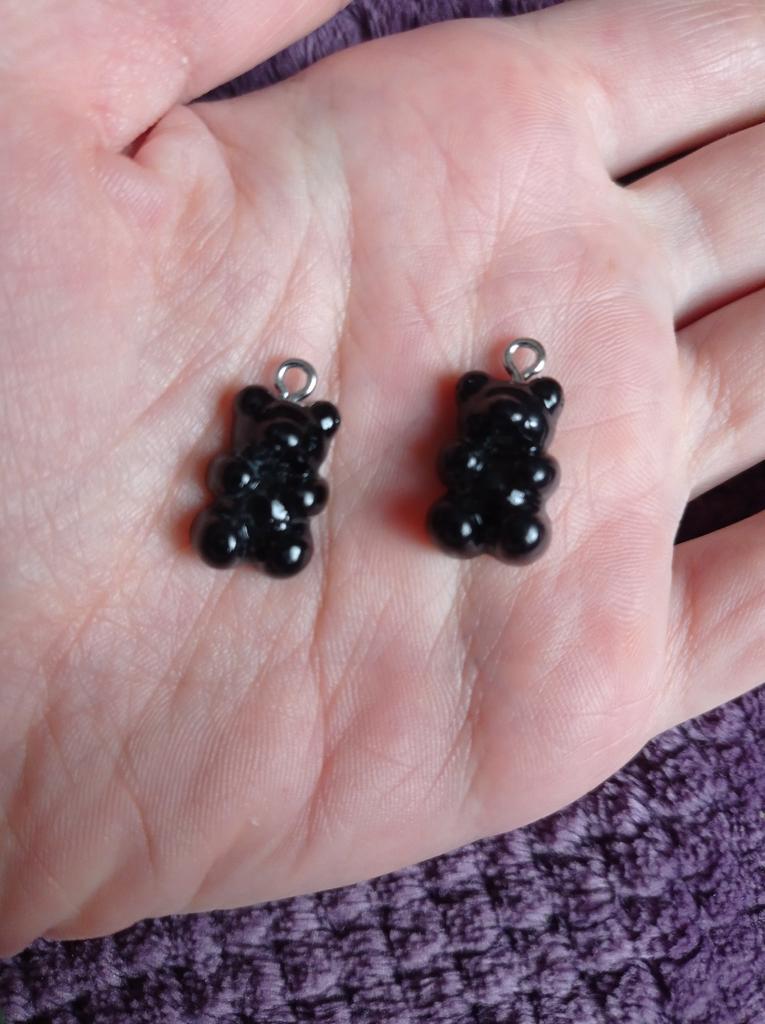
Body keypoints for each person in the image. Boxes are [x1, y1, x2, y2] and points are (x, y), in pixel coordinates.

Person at [0, 0, 763, 957]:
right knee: (274, 520)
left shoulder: (499, 427)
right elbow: (313, 468)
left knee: (426, 519)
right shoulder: (309, 427)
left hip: (464, 512)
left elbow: (448, 468)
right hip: (272, 519)